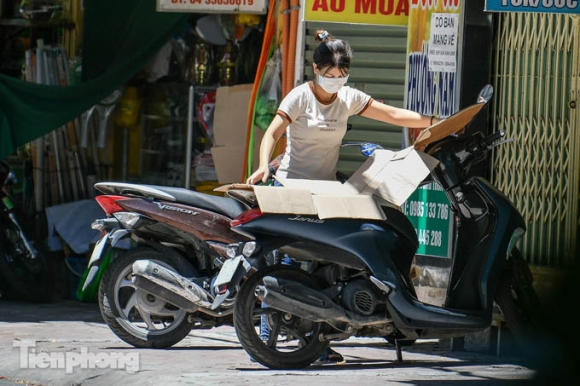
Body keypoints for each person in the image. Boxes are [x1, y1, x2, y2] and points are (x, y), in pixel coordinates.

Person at [246, 29, 439, 365]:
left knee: (327, 264)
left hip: (326, 192)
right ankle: (268, 338)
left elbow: (392, 115)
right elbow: (272, 133)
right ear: (315, 70)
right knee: (290, 263)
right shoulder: (299, 97)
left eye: (341, 75)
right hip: (291, 188)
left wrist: (436, 123)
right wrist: (263, 166)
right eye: (328, 75)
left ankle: (317, 340)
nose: (334, 81)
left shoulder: (348, 98)